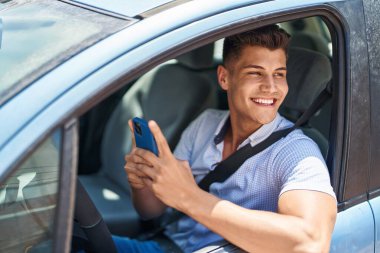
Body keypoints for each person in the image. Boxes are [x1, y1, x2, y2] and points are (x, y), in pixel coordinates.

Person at [122, 24, 337, 253]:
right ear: (224, 78)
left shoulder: (297, 152)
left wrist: (189, 197)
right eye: (255, 73)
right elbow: (152, 210)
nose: (271, 87)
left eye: (279, 74)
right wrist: (142, 184)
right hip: (163, 245)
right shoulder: (205, 124)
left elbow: (311, 243)